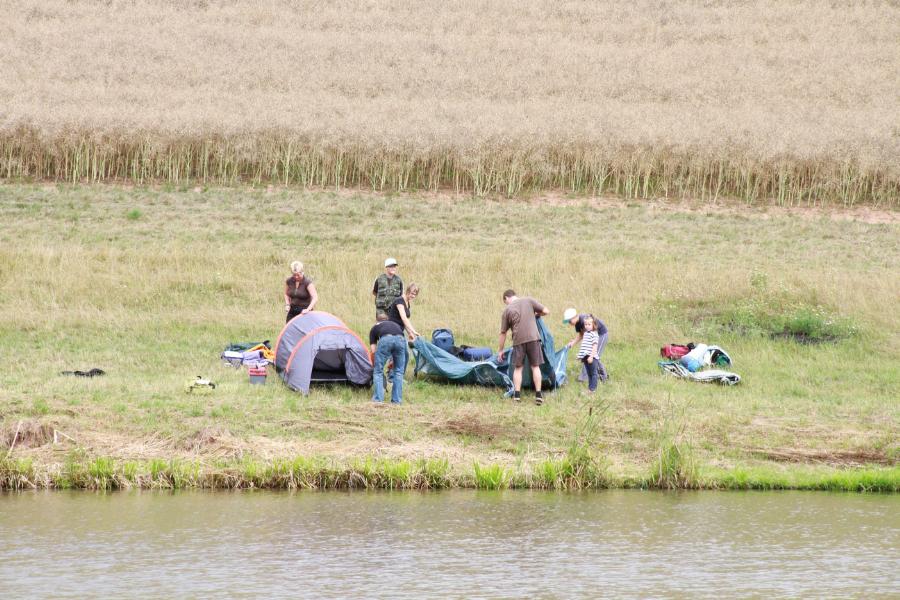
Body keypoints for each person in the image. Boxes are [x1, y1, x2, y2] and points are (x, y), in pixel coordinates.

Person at [497, 289, 550, 405]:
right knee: (535, 367)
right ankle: (538, 395)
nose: (506, 304)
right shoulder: (529, 300)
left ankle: (516, 395)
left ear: (506, 298)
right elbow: (546, 311)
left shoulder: (507, 310)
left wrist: (500, 350)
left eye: (505, 302)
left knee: (518, 368)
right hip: (533, 338)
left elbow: (503, 333)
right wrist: (537, 314)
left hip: (518, 341)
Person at [369, 314, 407, 404]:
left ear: (376, 321)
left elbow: (373, 351)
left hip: (386, 339)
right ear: (388, 320)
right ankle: (397, 401)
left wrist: (374, 364)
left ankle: (378, 400)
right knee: (398, 372)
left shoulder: (375, 327)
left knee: (378, 371)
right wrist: (392, 361)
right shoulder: (395, 325)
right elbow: (397, 342)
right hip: (401, 340)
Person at [564, 307, 609, 383]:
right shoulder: (577, 323)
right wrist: (572, 343)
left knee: (593, 356)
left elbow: (589, 336)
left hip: (601, 335)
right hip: (594, 336)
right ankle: (602, 376)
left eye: (569, 321)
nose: (569, 323)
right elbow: (581, 334)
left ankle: (584, 378)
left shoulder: (583, 320)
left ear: (574, 317)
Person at [576, 316, 601, 393]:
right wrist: (580, 356)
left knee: (593, 374)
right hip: (585, 357)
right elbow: (584, 346)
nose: (587, 326)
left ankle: (592, 389)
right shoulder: (586, 334)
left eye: (589, 324)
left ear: (593, 325)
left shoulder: (594, 334)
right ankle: (590, 389)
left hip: (592, 357)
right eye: (585, 324)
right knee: (589, 374)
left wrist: (591, 356)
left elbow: (594, 347)